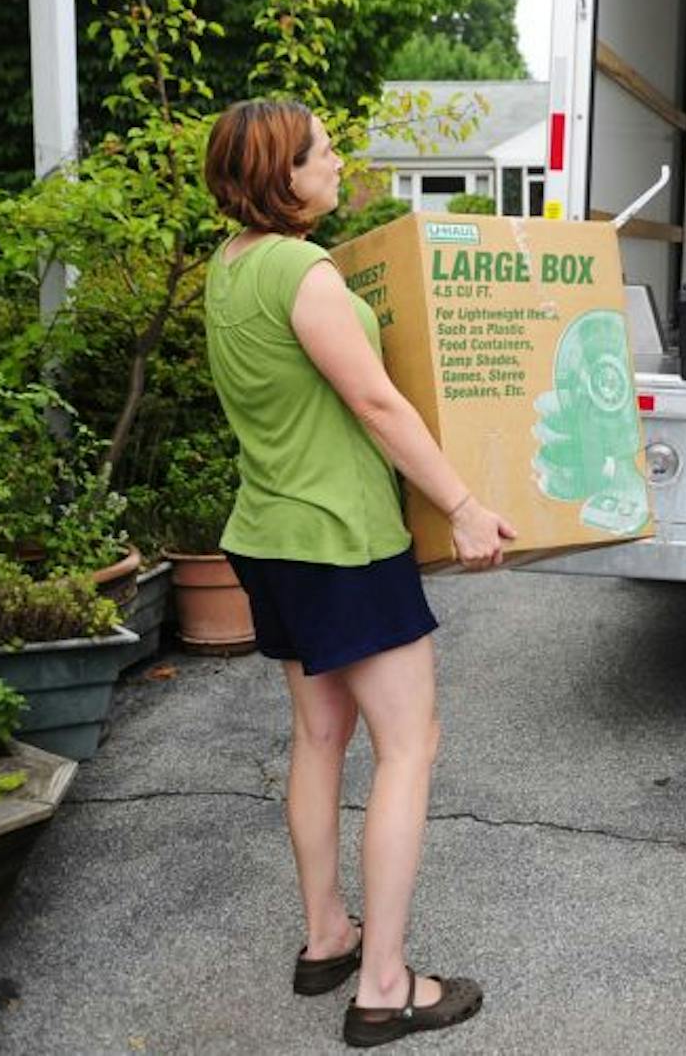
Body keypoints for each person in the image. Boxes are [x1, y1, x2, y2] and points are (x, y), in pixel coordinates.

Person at [203, 99, 511, 1046]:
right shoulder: (303, 272)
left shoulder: (229, 267)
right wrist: (461, 505)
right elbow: (377, 404)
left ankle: (328, 934)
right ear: (280, 178)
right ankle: (384, 985)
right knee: (410, 746)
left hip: (268, 533)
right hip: (341, 539)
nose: (339, 162)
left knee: (319, 737)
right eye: (322, 153)